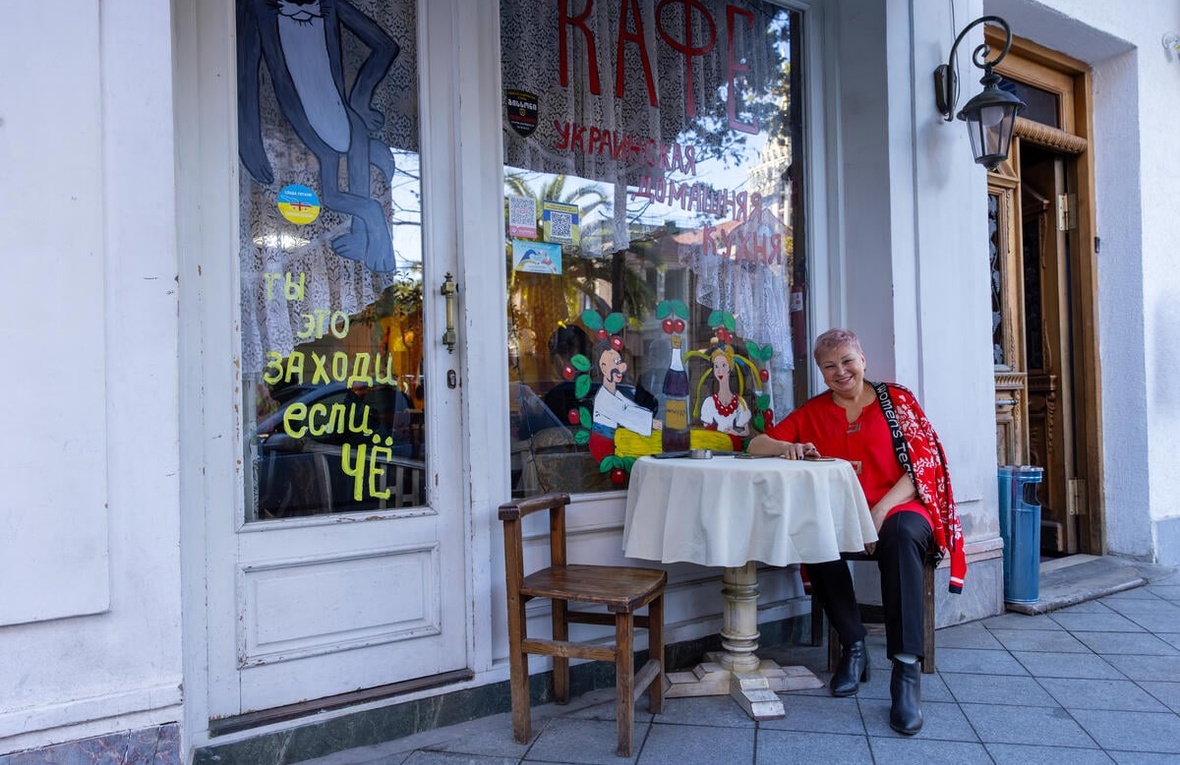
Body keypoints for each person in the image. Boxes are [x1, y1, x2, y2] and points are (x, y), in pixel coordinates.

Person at [747, 328, 964, 735]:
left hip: (900, 508)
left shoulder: (897, 401)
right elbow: (755, 446)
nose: (841, 371)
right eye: (829, 366)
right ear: (821, 372)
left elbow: (923, 466)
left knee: (899, 537)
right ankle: (854, 645)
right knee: (813, 532)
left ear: (862, 359)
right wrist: (787, 448)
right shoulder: (812, 412)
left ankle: (905, 673)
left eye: (847, 360)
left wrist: (879, 513)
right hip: (845, 514)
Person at [698, 347, 752, 447]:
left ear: (729, 368)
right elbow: (706, 431)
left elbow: (746, 432)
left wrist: (736, 434)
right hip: (715, 448)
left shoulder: (740, 403)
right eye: (716, 366)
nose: (719, 371)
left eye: (723, 365)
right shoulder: (709, 403)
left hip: (734, 448)